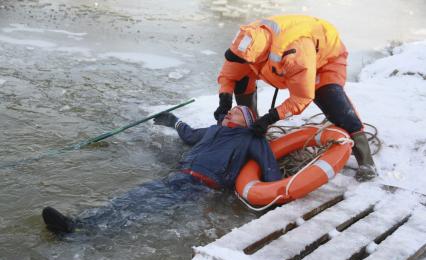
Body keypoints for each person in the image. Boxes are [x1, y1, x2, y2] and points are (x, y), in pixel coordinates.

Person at [42, 106, 281, 234]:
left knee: (142, 209)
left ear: (247, 122)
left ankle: (84, 233)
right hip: (177, 177)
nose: (230, 111)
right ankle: (78, 224)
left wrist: (280, 197)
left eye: (236, 112)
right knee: (128, 198)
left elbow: (270, 168)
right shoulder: (212, 129)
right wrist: (173, 120)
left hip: (199, 187)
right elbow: (189, 135)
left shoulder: (251, 138)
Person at [213, 14, 377, 182]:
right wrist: (224, 100)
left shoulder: (296, 53)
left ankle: (366, 161)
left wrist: (270, 118)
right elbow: (230, 73)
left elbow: (301, 97)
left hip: (324, 60)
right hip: (278, 58)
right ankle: (250, 130)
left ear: (261, 54)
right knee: (241, 79)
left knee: (333, 102)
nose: (240, 61)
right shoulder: (247, 40)